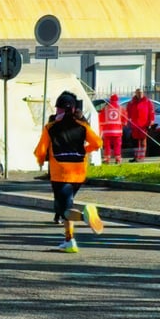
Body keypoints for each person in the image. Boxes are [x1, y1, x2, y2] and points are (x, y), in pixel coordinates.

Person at [34, 90, 104, 253]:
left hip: (60, 172)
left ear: (59, 109)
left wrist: (41, 160)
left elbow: (40, 150)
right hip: (79, 172)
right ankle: (69, 240)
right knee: (66, 206)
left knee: (64, 209)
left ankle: (84, 216)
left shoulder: (50, 127)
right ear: (73, 109)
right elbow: (98, 142)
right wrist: (85, 149)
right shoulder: (82, 125)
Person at [125, 89, 155, 162]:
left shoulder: (147, 102)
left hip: (144, 124)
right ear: (136, 93)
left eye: (141, 93)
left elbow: (151, 113)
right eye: (138, 93)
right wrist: (128, 121)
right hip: (134, 125)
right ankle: (136, 156)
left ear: (143, 93)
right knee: (135, 141)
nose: (140, 94)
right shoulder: (131, 103)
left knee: (143, 141)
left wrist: (151, 121)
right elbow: (127, 113)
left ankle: (141, 157)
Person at [98, 94, 127, 165]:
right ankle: (118, 159)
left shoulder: (105, 108)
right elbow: (125, 120)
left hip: (107, 131)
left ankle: (107, 159)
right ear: (117, 100)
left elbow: (100, 118)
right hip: (117, 131)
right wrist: (123, 124)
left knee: (107, 145)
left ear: (110, 100)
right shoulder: (121, 108)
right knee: (117, 145)